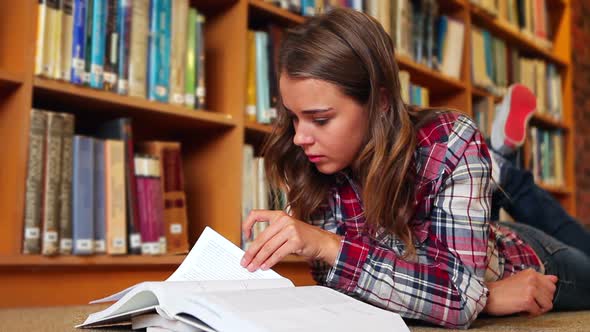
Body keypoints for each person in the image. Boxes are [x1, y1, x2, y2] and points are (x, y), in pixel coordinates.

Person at [239, 8, 590, 329]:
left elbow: (458, 297)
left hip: (526, 260)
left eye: (320, 119)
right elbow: (359, 296)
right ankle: (499, 165)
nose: (299, 137)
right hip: (474, 246)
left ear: (380, 104)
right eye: (293, 116)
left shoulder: (448, 140)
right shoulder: (312, 159)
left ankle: (504, 171)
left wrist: (331, 246)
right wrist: (488, 297)